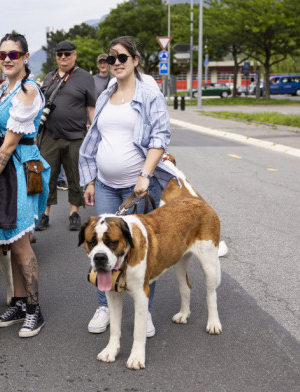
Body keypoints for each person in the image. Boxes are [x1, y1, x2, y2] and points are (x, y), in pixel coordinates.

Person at [79, 36, 179, 338]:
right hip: (107, 186)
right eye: (111, 59)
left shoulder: (149, 94)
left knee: (142, 251)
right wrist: (91, 178)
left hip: (139, 189)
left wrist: (145, 175)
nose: (116, 63)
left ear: (135, 60)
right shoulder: (106, 93)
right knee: (102, 246)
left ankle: (144, 311)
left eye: (122, 57)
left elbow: (160, 137)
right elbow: (96, 139)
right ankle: (104, 306)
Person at [0, 33, 50, 338]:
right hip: (3, 167)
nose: (6, 59)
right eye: (2, 55)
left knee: (20, 241)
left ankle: (34, 309)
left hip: (18, 167)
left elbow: (8, 147)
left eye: (13, 55)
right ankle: (19, 302)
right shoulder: (5, 88)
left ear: (25, 57)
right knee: (9, 239)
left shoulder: (28, 91)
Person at [36, 40, 95, 232]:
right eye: (60, 54)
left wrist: (95, 132)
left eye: (67, 54)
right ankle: (44, 213)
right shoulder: (49, 77)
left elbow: (91, 107)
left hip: (75, 136)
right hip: (50, 136)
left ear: (74, 55)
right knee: (47, 176)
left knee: (74, 176)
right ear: (56, 56)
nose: (63, 57)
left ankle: (74, 212)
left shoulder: (85, 77)